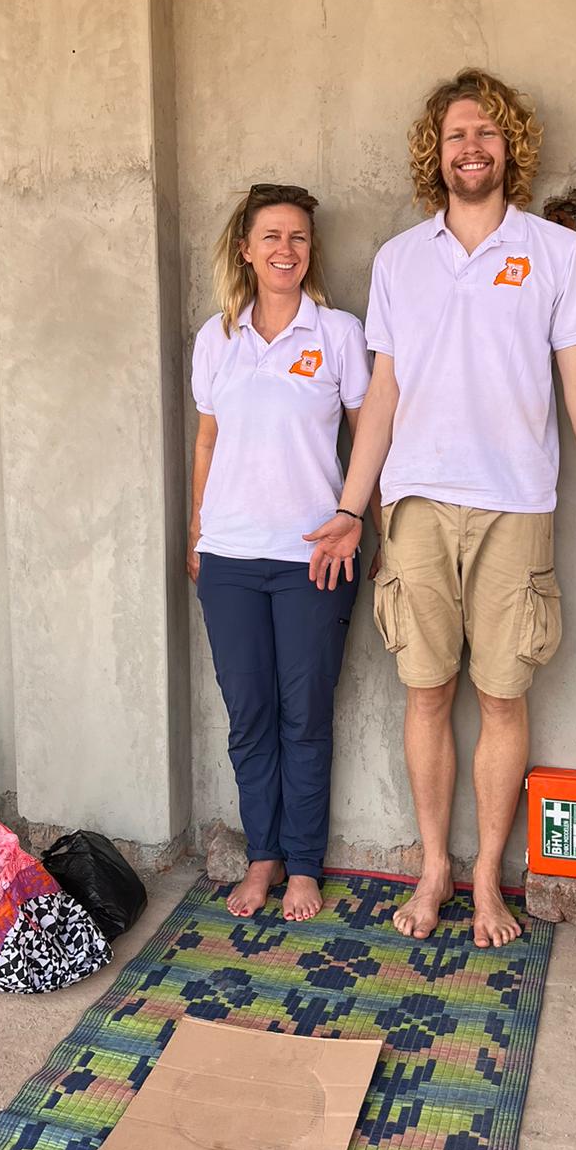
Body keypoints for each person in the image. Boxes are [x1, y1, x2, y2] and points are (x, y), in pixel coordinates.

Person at [306, 69, 576, 947]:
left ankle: (486, 877)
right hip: (417, 507)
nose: (472, 148)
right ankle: (432, 867)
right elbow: (381, 395)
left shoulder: (555, 253)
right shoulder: (398, 259)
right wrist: (355, 506)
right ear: (437, 152)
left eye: (488, 134)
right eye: (457, 135)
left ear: (512, 149)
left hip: (515, 507)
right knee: (425, 692)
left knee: (503, 697)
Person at [189, 183, 376, 922]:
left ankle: (303, 864)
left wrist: (360, 520)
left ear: (310, 251)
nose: (285, 250)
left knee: (305, 716)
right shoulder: (217, 338)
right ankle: (262, 857)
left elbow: (368, 436)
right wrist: (197, 534)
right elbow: (206, 442)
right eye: (271, 236)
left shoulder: (337, 334)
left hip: (313, 559)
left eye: (298, 237)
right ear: (245, 248)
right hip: (229, 560)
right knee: (250, 717)